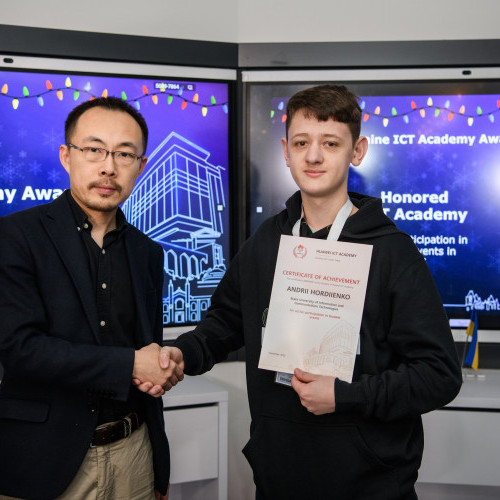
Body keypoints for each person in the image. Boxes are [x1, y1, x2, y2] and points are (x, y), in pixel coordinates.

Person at [151, 84, 462, 499]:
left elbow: (439, 375)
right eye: (301, 142)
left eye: (330, 143)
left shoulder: (392, 253)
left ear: (357, 151)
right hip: (279, 477)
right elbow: (224, 323)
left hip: (370, 485)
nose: (313, 156)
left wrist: (348, 396)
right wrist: (183, 353)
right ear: (286, 151)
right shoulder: (265, 242)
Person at [0, 97, 183, 500]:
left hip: (134, 454)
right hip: (42, 461)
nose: (108, 167)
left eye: (124, 154)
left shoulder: (148, 252)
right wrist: (131, 364)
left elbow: (147, 350)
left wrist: (158, 467)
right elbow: (18, 349)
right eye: (94, 150)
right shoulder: (15, 236)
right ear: (67, 156)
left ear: (141, 165)